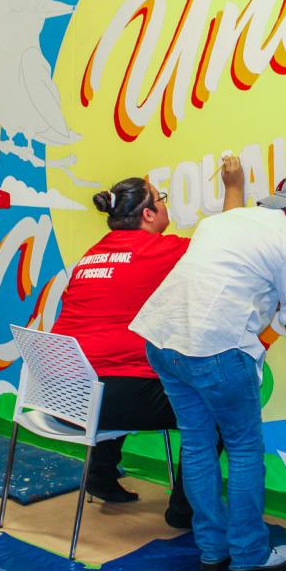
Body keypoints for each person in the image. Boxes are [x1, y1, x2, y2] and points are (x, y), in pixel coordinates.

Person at [130, 171, 286, 571]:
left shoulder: (224, 220)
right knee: (242, 449)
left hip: (163, 340)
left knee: (199, 444)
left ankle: (212, 549)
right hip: (215, 348)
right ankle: (249, 553)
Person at [51, 164, 244, 528]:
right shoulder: (157, 251)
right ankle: (185, 512)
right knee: (211, 407)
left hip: (62, 396)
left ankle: (101, 476)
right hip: (106, 398)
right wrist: (233, 187)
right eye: (161, 199)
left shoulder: (90, 256)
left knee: (115, 372)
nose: (165, 205)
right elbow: (226, 243)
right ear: (149, 214)